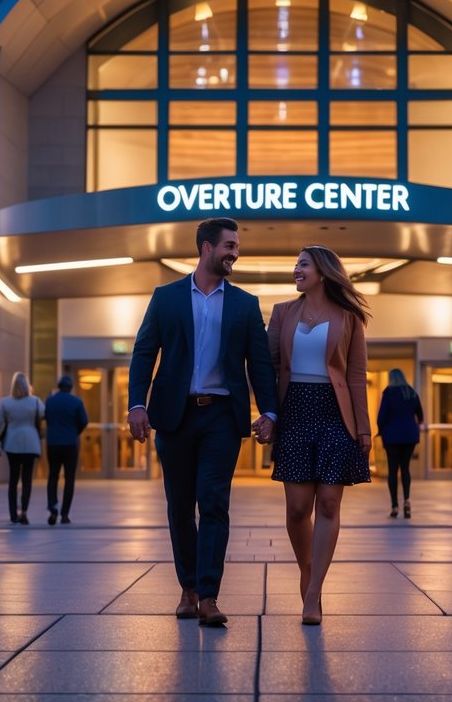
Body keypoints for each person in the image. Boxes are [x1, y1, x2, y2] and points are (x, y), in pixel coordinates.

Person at [127, 217, 277, 627]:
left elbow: (260, 364)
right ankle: (188, 588)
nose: (235, 253)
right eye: (229, 245)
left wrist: (269, 411)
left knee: (213, 502)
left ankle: (209, 595)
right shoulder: (167, 297)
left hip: (222, 418)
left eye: (237, 247)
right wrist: (136, 404)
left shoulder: (245, 304)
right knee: (179, 506)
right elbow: (144, 354)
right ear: (206, 248)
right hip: (174, 417)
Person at [264, 245, 371, 626]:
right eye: (295, 264)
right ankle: (307, 569)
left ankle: (313, 593)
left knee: (328, 504)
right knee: (296, 510)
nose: (296, 270)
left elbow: (356, 376)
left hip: (334, 413)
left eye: (303, 264)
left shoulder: (350, 317)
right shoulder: (283, 313)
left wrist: (363, 428)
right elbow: (270, 367)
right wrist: (267, 414)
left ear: (323, 272)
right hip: (295, 411)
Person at [0, 372, 44, 525]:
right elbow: (43, 415)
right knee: (27, 480)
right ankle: (24, 512)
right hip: (30, 442)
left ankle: (12, 514)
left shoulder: (5, 402)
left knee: (13, 480)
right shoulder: (35, 401)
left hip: (12, 442)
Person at [377, 368, 423, 519]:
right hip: (410, 435)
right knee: (405, 469)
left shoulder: (389, 393)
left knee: (392, 470)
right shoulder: (411, 392)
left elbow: (381, 417)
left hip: (392, 437)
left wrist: (380, 430)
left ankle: (394, 506)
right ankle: (407, 502)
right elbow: (420, 416)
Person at [44, 374, 89, 525]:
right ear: (71, 388)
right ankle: (64, 514)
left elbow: (46, 417)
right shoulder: (77, 401)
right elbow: (84, 421)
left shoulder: (50, 401)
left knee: (53, 476)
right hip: (70, 443)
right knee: (69, 478)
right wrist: (74, 432)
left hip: (53, 443)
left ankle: (52, 507)